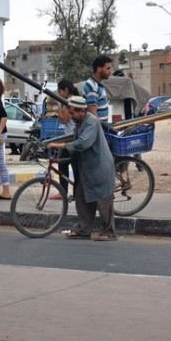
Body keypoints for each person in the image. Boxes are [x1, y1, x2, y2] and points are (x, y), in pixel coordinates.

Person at [48, 96, 117, 241]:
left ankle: (109, 232)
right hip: (86, 167)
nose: (71, 117)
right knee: (81, 196)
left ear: (82, 111)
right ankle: (84, 230)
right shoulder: (80, 122)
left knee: (103, 199)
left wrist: (60, 145)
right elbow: (75, 138)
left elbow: (83, 143)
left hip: (99, 166)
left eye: (73, 113)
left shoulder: (92, 122)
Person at [53, 80, 79, 197]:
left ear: (66, 90)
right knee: (73, 165)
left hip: (70, 138)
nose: (59, 94)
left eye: (60, 92)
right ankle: (75, 192)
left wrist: (59, 105)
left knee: (63, 165)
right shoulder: (75, 98)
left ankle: (63, 192)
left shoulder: (68, 101)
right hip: (73, 136)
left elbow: (64, 119)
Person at [83, 55, 112, 123]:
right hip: (97, 129)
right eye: (107, 68)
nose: (110, 71)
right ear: (99, 69)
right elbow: (93, 115)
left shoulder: (98, 85)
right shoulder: (92, 86)